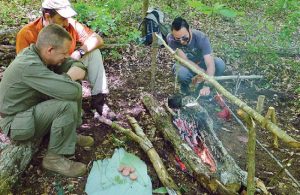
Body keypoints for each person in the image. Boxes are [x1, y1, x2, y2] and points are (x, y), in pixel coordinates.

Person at [0, 24, 94, 177]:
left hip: (29, 112)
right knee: (67, 100)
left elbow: (74, 64)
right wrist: (69, 77)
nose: (65, 56)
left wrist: (76, 69)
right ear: (50, 50)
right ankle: (54, 158)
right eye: (64, 53)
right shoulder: (29, 65)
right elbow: (72, 91)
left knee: (69, 87)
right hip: (16, 123)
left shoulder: (40, 55)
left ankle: (69, 135)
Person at [16, 0, 111, 117]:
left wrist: (79, 52)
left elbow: (97, 39)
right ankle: (58, 106)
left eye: (67, 18)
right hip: (42, 76)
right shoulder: (27, 33)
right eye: (62, 18)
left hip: (65, 65)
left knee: (93, 53)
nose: (66, 23)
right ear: (48, 16)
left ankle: (99, 100)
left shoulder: (70, 25)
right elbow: (23, 68)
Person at [167, 17, 225, 96]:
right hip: (186, 66)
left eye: (184, 38)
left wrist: (207, 83)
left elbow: (209, 63)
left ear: (189, 30)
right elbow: (184, 61)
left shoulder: (201, 37)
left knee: (219, 63)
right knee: (181, 72)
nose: (181, 41)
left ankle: (209, 87)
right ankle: (185, 87)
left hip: (202, 63)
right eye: (177, 39)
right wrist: (202, 73)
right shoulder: (171, 39)